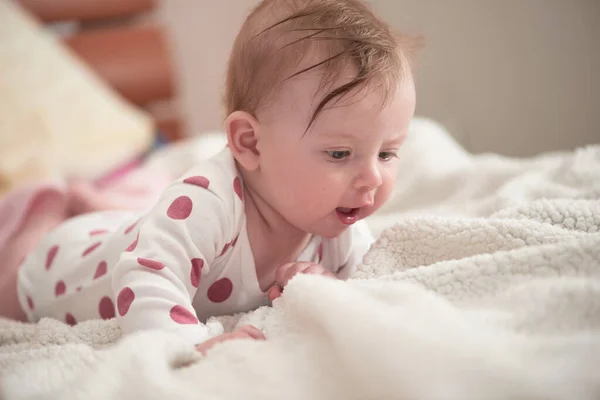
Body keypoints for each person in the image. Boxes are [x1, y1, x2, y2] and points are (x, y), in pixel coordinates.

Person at [0, 0, 416, 355]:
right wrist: (186, 343)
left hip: (133, 233)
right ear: (250, 144)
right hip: (63, 267)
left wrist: (319, 285)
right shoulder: (206, 201)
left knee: (142, 228)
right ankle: (52, 210)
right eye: (340, 154)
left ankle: (95, 206)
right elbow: (145, 276)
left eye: (387, 153)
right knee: (10, 292)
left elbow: (358, 285)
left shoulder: (339, 221)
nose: (371, 178)